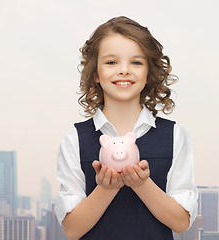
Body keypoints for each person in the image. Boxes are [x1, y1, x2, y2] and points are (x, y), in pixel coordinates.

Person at [55, 16, 198, 240]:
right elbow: (72, 229)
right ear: (95, 73)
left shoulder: (174, 136)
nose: (123, 70)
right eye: (111, 62)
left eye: (136, 62)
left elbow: (181, 222)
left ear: (149, 74)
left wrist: (141, 184)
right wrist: (107, 188)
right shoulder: (75, 139)